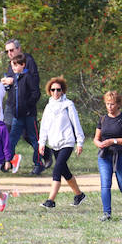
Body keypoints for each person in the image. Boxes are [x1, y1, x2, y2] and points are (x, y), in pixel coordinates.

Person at [37, 77, 86, 209]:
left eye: (58, 90)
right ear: (50, 91)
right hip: (54, 143)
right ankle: (79, 195)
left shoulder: (68, 105)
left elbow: (76, 124)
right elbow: (44, 127)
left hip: (67, 142)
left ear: (63, 91)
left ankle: (50, 201)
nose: (56, 92)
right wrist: (42, 143)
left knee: (57, 170)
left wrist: (79, 142)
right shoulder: (48, 107)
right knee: (65, 172)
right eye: (53, 90)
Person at [93, 90, 122, 221]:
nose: (109, 107)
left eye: (112, 104)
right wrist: (99, 144)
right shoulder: (102, 119)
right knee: (105, 184)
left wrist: (113, 141)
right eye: (107, 104)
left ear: (118, 104)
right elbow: (96, 138)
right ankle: (107, 213)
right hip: (105, 155)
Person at [3, 39, 43, 174]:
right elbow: (13, 89)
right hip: (16, 113)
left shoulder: (28, 64)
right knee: (11, 138)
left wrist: (27, 107)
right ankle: (7, 162)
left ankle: (39, 163)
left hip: (28, 113)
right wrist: (8, 84)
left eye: (12, 50)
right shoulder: (12, 67)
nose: (9, 53)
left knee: (33, 138)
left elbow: (35, 92)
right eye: (7, 51)